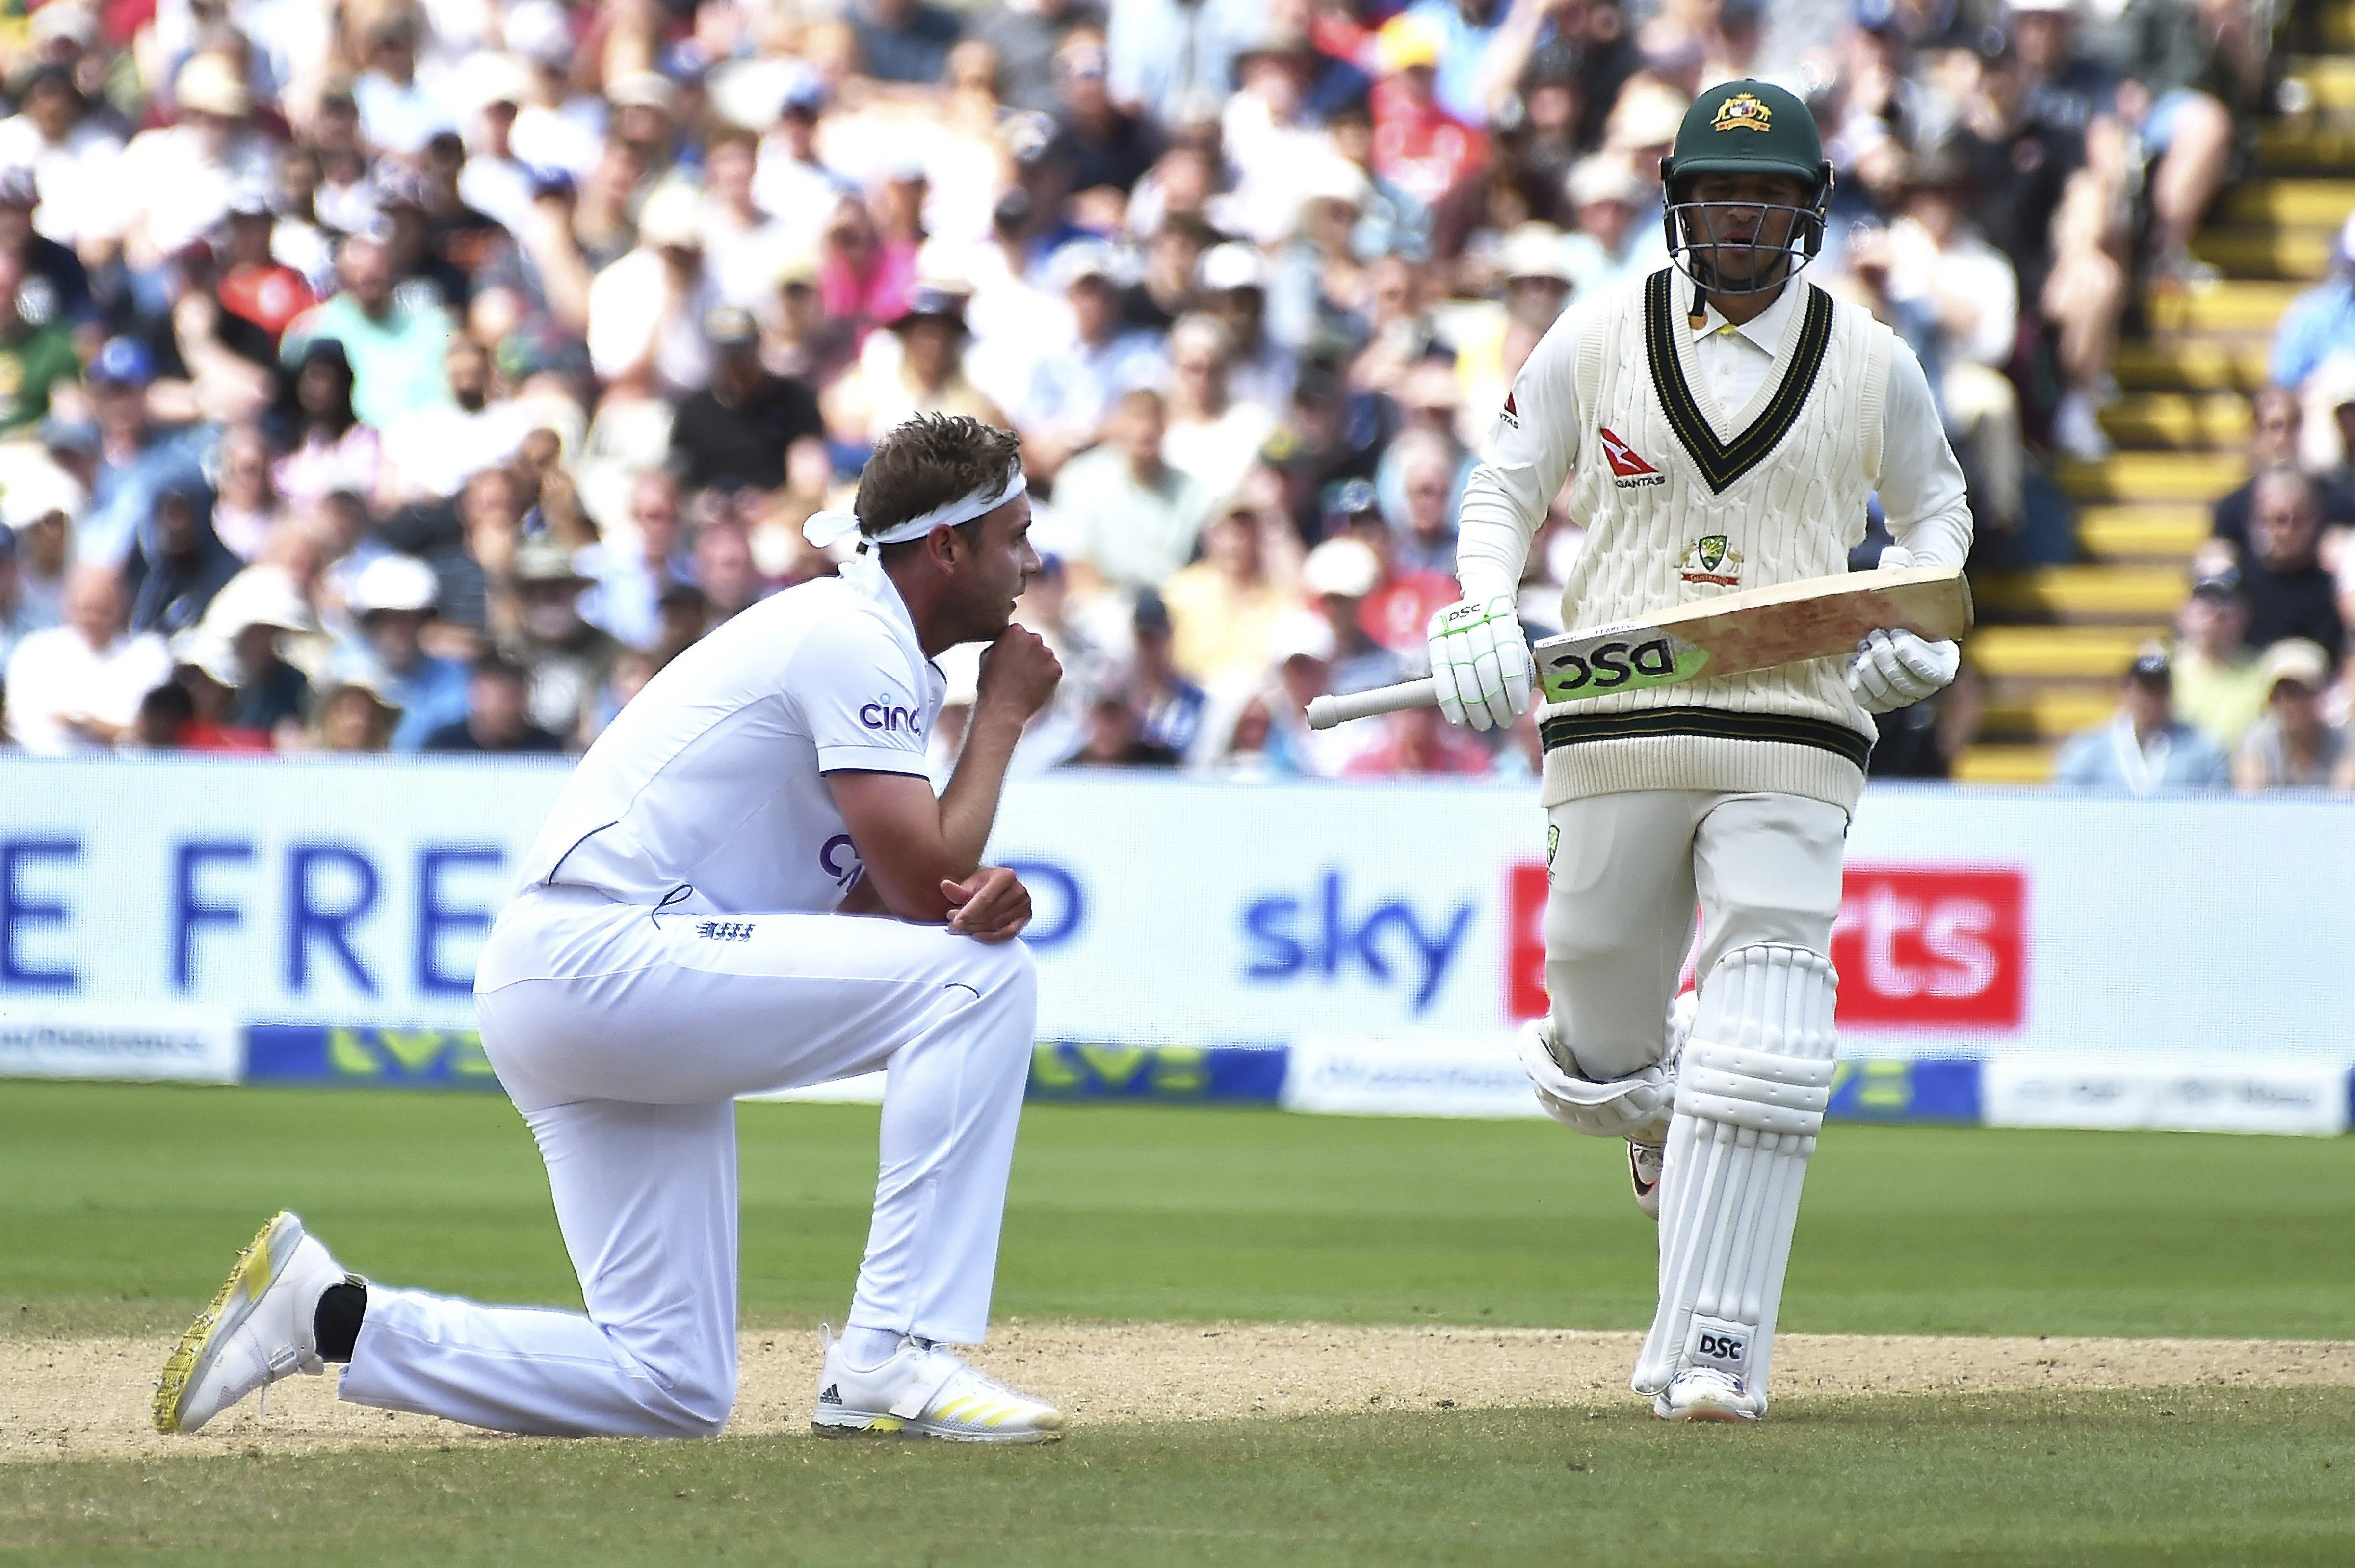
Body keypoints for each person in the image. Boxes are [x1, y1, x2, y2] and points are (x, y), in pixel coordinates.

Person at [156, 414, 1068, 1447]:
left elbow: (882, 905)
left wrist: (953, 895)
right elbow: (921, 889)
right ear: (947, 545)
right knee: (981, 980)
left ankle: (322, 1313)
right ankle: (893, 1352)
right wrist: (1000, 723)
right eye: (1015, 535)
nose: (1030, 562)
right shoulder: (852, 634)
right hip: (608, 956)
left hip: (590, 979)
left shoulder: (876, 648)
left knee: (671, 1384)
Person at [1431, 83, 1974, 1424]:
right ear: (1682, 203)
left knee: (1773, 1013)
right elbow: (1501, 483)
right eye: (1721, 196)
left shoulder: (1874, 359)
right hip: (1614, 714)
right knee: (1602, 1031)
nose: (1741, 220)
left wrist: (1922, 630)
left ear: (1805, 213)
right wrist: (1486, 601)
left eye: (1768, 198)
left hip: (1795, 716)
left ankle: (1717, 1352)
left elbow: (1940, 518)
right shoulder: (1601, 332)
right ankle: (1663, 1111)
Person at [3, 563, 170, 752]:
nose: (93, 619)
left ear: (122, 606)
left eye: (102, 610)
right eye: (85, 609)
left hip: (123, 774)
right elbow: (19, 725)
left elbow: (149, 734)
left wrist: (82, 723)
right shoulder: (34, 652)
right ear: (66, 605)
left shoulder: (148, 656)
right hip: (42, 770)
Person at [332, 553, 471, 750]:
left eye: (410, 619)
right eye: (388, 619)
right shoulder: (341, 666)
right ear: (371, 623)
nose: (399, 631)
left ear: (425, 621)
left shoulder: (452, 680)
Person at [2053, 647, 2232, 791]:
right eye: (2141, 691)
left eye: (2157, 692)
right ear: (2123, 693)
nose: (2149, 700)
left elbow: (2218, 802)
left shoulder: (2203, 750)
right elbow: (2065, 803)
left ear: (2171, 695)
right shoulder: (2089, 748)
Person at [2239, 468, 2347, 658]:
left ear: (2317, 519)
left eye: (2299, 520)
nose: (2287, 531)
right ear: (2257, 520)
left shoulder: (2335, 587)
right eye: (2279, 520)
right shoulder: (2240, 585)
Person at [2231, 638, 2346, 791]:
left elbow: (2344, 803)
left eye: (2300, 692)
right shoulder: (2257, 744)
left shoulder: (2344, 746)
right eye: (2280, 695)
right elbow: (2252, 806)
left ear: (2320, 694)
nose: (2290, 704)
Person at [422, 656, 568, 753]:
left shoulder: (548, 747)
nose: (503, 707)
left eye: (511, 696)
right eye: (494, 696)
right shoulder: (446, 744)